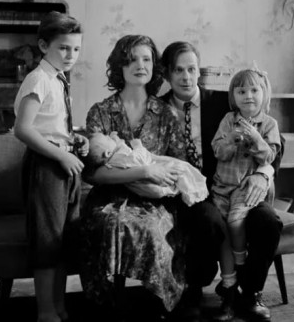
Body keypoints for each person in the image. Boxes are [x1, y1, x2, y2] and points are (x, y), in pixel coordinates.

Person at [160, 41, 282, 322]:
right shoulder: (158, 108)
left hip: (240, 184)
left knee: (268, 222)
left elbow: (277, 144)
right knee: (209, 221)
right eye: (178, 70)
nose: (186, 77)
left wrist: (263, 174)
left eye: (192, 69)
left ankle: (249, 291)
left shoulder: (222, 102)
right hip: (187, 191)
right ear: (167, 73)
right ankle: (194, 288)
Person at [79, 35, 190, 316]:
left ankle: (157, 304)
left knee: (152, 229)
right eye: (132, 59)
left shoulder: (165, 114)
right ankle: (107, 305)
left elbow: (178, 166)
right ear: (120, 66)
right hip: (107, 197)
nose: (140, 65)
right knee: (111, 222)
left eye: (146, 59)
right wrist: (143, 171)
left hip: (155, 200)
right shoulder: (101, 112)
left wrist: (156, 180)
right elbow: (92, 173)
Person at [13, 11, 88, 322]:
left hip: (63, 163)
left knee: (63, 241)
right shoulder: (38, 79)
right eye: (63, 48)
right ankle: (46, 311)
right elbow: (23, 129)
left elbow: (50, 125)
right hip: (46, 166)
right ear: (44, 46)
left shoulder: (59, 79)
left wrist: (73, 140)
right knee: (47, 241)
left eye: (76, 49)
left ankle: (59, 306)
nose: (71, 55)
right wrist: (60, 154)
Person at [210, 68, 281, 320]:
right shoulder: (228, 120)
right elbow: (218, 151)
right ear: (233, 96)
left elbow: (270, 156)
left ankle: (241, 268)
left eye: (254, 90)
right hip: (221, 187)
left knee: (234, 221)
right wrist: (230, 139)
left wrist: (256, 139)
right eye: (241, 91)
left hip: (245, 188)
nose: (248, 96)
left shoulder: (269, 124)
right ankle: (229, 286)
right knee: (222, 232)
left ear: (264, 93)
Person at [86, 131, 208, 205]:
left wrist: (117, 142)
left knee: (177, 169)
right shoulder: (119, 157)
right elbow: (139, 160)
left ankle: (189, 190)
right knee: (180, 170)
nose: (109, 136)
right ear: (108, 153)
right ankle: (192, 190)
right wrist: (139, 148)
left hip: (146, 186)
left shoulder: (112, 158)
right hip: (141, 189)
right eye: (107, 137)